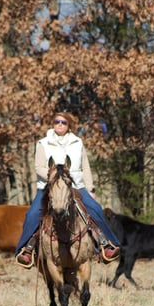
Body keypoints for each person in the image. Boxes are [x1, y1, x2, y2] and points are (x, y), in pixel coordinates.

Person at [15, 111, 120, 268]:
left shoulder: (77, 142)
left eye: (63, 122)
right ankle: (25, 250)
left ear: (69, 125)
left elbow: (85, 166)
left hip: (76, 185)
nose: (60, 124)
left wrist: (90, 188)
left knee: (96, 208)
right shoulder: (43, 143)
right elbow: (38, 167)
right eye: (57, 121)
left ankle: (108, 245)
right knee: (32, 214)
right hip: (48, 187)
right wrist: (53, 177)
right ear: (53, 123)